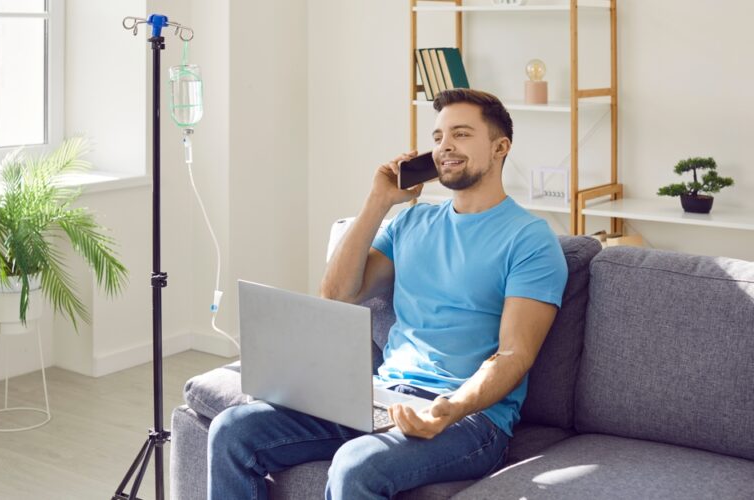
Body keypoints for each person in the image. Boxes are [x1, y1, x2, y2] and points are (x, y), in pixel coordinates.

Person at [207, 89, 568, 500]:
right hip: (381, 395)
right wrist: (379, 200)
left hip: (471, 420)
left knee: (355, 465)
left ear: (500, 147)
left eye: (462, 134)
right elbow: (338, 293)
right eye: (437, 137)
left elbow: (514, 355)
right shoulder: (412, 222)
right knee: (232, 431)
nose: (444, 147)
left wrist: (451, 407)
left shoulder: (530, 239)